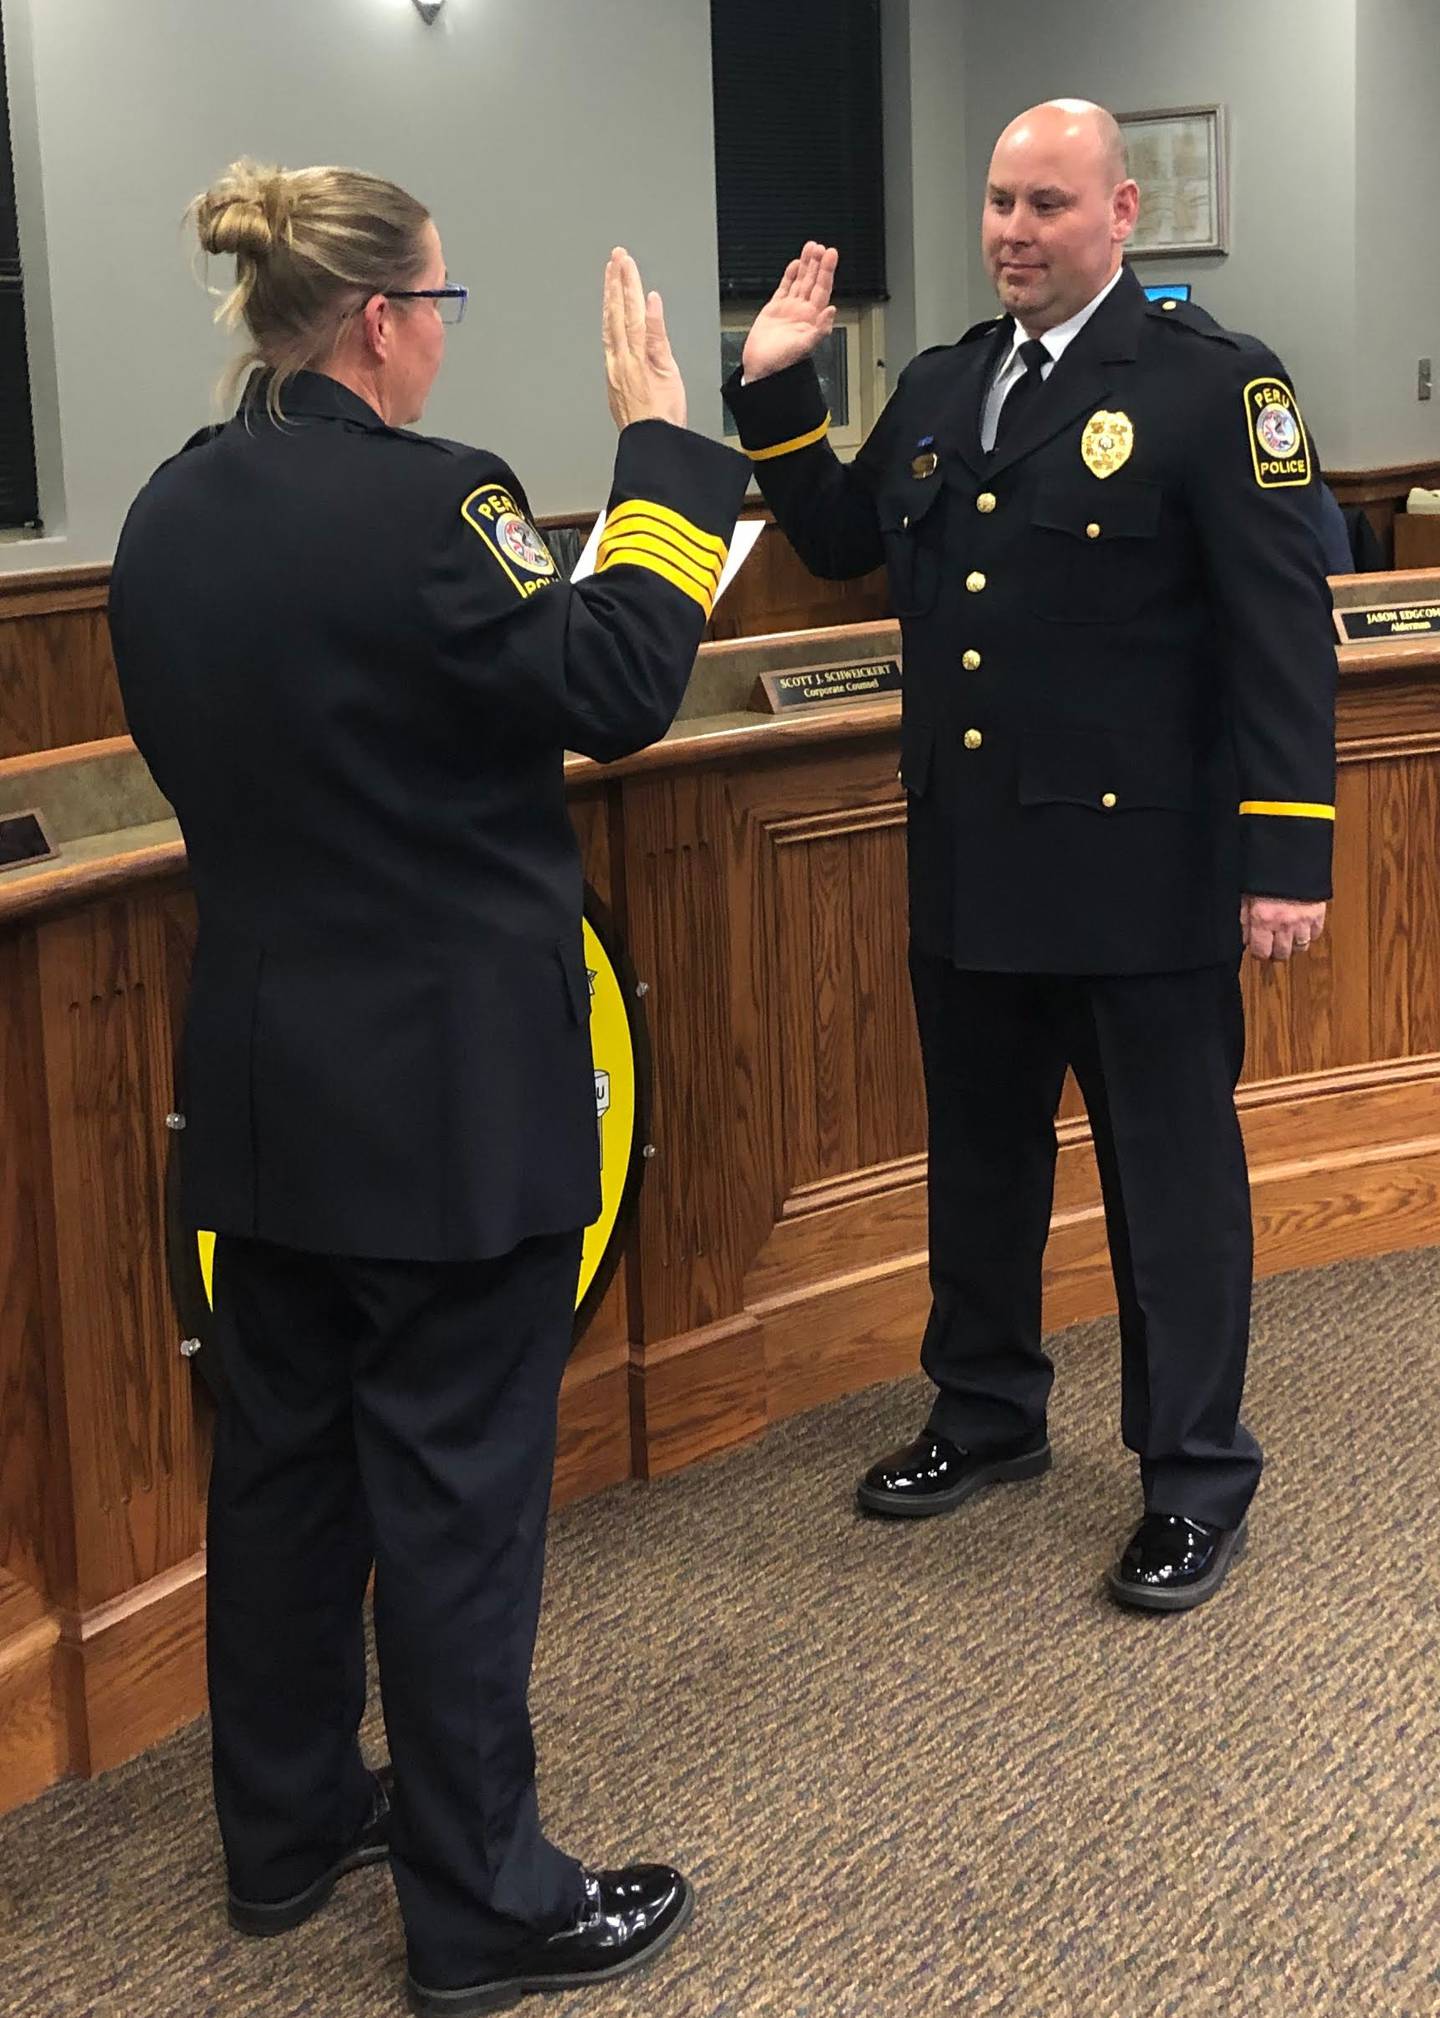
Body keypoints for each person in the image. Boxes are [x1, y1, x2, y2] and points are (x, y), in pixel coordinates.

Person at [108, 160, 747, 2014]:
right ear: (386, 320)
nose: (445, 336)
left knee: (289, 1472)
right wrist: (657, 451)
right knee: (460, 1498)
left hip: (261, 1082)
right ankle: (485, 1905)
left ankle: (289, 1828)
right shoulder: (436, 500)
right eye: (446, 306)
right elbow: (617, 681)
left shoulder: (167, 511)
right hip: (450, 1097)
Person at [723, 101, 1337, 1613]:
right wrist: (774, 394)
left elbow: (1282, 639)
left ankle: (1193, 1474)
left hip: (1148, 884)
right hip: (976, 869)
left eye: (1046, 203)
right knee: (979, 1171)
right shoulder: (942, 383)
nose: (1012, 229)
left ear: (1123, 211)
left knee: (1171, 1194)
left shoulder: (1210, 390)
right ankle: (986, 1411)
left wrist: (1290, 857)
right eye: (998, 201)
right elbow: (844, 539)